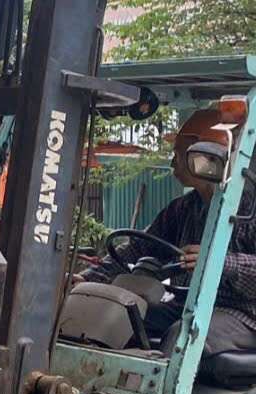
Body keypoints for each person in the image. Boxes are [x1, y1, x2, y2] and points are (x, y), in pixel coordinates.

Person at [73, 108, 256, 357]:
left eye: (178, 155)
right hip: (190, 304)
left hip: (244, 314)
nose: (172, 163)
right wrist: (88, 278)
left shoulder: (249, 208)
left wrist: (219, 262)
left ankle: (161, 384)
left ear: (206, 156)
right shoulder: (184, 208)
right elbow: (138, 248)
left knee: (182, 335)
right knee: (119, 317)